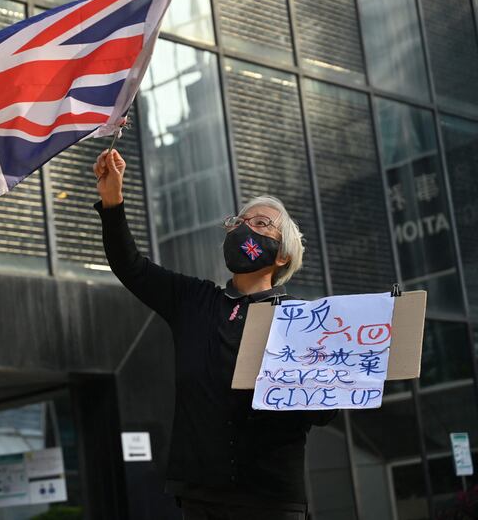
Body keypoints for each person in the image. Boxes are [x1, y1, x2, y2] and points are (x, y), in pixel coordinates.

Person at [93, 149, 336, 520]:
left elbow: (325, 411)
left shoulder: (300, 321)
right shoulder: (195, 301)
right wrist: (113, 200)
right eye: (239, 221)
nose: (243, 228)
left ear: (283, 254)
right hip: (200, 495)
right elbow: (131, 266)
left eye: (260, 224)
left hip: (270, 499)